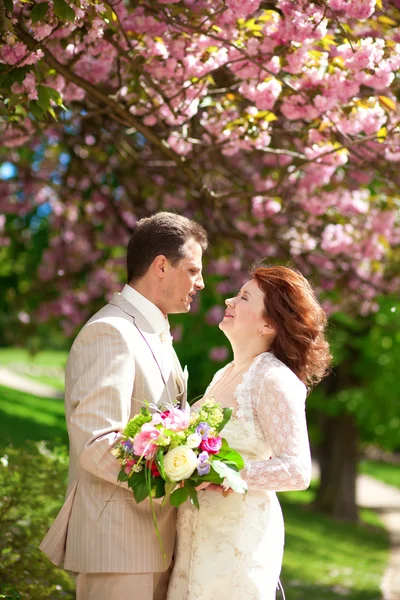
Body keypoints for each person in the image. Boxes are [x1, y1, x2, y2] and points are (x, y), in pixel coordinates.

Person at [39, 212, 207, 600]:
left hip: (156, 544)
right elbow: (97, 444)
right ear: (161, 266)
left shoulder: (151, 331)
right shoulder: (111, 332)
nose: (200, 283)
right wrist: (178, 479)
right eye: (194, 270)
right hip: (117, 547)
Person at [167, 266, 332, 600]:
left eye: (244, 297)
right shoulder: (225, 373)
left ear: (269, 324)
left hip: (237, 540)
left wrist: (219, 472)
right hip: (198, 534)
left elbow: (297, 471)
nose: (229, 299)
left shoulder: (274, 380)